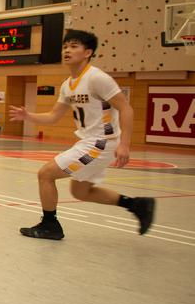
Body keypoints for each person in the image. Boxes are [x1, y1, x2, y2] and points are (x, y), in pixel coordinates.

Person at [8, 29, 155, 241]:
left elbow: (126, 108)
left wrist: (125, 144)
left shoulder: (97, 78)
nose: (67, 50)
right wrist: (28, 116)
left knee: (45, 174)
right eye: (65, 46)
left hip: (101, 143)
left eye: (73, 46)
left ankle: (50, 225)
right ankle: (137, 205)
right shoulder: (68, 85)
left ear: (88, 52)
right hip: (89, 142)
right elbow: (53, 116)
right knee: (81, 192)